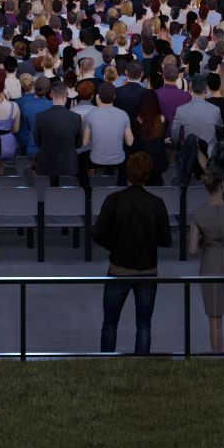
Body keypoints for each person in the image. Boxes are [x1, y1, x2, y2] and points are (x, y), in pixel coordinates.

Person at [94, 149, 171, 354]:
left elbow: (97, 232)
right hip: (147, 269)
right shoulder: (156, 203)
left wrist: (115, 245)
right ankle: (141, 364)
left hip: (119, 267)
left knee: (110, 322)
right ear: (148, 174)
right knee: (144, 324)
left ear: (127, 173)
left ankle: (106, 361)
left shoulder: (113, 200)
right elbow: (166, 239)